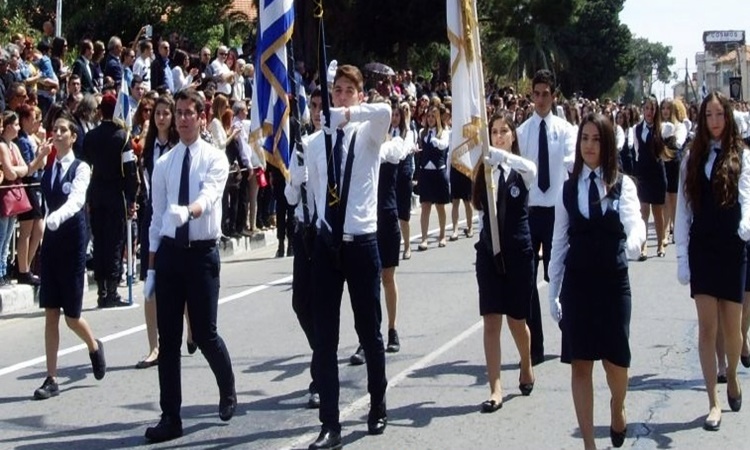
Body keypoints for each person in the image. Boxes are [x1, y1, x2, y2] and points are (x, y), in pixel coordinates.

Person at [303, 64, 390, 449]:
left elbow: (386, 111)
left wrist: (351, 115)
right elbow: (318, 193)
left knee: (368, 331)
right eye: (335, 91)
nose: (339, 97)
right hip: (328, 246)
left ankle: (378, 400)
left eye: (346, 91)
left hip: (362, 244)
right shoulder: (315, 142)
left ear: (359, 94)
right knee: (324, 338)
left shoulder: (368, 133)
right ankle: (331, 423)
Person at [548, 113, 646, 449]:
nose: (589, 146)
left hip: (613, 284)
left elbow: (636, 225)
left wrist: (634, 244)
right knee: (581, 365)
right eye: (585, 139)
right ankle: (589, 442)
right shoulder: (568, 187)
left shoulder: (623, 184)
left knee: (616, 363)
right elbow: (560, 240)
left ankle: (617, 408)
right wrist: (553, 290)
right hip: (578, 284)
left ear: (607, 144)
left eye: (596, 139)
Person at [143, 88, 236, 443]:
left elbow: (210, 197)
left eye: (188, 113)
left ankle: (227, 389)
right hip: (169, 255)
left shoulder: (215, 158)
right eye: (178, 113)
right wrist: (151, 266)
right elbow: (155, 218)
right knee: (168, 340)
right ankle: (171, 416)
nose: (182, 119)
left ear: (201, 116)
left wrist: (189, 211)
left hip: (201, 254)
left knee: (204, 333)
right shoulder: (165, 163)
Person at [675, 91, 749, 431]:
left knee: (732, 327)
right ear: (702, 119)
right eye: (709, 116)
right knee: (708, 328)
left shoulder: (742, 156)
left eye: (720, 115)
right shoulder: (692, 157)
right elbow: (683, 209)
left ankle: (732, 375)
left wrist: (746, 224)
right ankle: (713, 401)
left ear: (728, 117)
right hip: (702, 248)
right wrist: (681, 258)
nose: (715, 121)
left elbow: (747, 197)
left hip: (732, 247)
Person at [33, 116, 107, 400]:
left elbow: (76, 200)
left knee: (71, 316)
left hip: (72, 243)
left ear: (74, 136)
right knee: (51, 312)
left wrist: (57, 217)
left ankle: (93, 346)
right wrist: (39, 159)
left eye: (63, 130)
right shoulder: (49, 167)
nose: (58, 134)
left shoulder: (82, 168)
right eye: (55, 130)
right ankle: (51, 377)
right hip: (52, 244)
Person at [473, 113, 537, 413]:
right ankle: (495, 388)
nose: (498, 136)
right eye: (493, 132)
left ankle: (526, 364)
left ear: (513, 136)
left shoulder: (520, 171)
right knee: (491, 320)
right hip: (489, 252)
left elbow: (531, 169)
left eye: (503, 131)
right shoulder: (484, 171)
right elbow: (481, 212)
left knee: (517, 321)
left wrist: (502, 156)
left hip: (518, 251)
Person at [516, 69, 577, 365]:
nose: (540, 99)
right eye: (536, 94)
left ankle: (569, 339)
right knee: (527, 280)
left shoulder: (566, 131)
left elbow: (571, 166)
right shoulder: (523, 131)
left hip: (557, 212)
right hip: (529, 211)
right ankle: (535, 345)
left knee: (559, 277)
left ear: (554, 96)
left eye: (545, 94)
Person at [83, 93, 138, 308]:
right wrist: (132, 197)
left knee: (100, 242)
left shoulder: (90, 137)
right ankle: (112, 290)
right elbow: (130, 171)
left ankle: (102, 290)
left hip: (96, 194)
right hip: (117, 195)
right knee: (115, 242)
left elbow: (85, 166)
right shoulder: (123, 137)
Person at [633, 95, 668, 260]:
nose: (649, 111)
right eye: (646, 108)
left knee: (658, 210)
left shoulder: (662, 128)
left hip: (657, 172)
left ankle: (661, 243)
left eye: (652, 108)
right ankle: (644, 245)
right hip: (643, 172)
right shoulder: (637, 129)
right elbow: (637, 150)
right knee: (643, 211)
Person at [416, 104, 450, 250]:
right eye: (428, 116)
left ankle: (442, 235)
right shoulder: (422, 133)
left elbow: (444, 145)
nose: (430, 119)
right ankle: (424, 238)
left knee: (440, 206)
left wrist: (437, 142)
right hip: (425, 173)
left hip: (438, 172)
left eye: (432, 116)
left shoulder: (443, 133)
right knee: (425, 206)